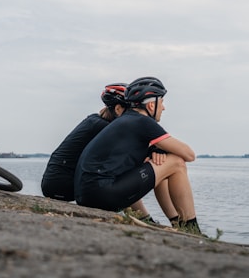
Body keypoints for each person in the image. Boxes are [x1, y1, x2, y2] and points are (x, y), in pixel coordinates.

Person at [74, 77, 203, 234]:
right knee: (176, 162)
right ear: (151, 104)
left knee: (161, 163)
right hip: (102, 195)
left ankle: (176, 222)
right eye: (161, 102)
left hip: (87, 195)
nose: (164, 108)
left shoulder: (125, 121)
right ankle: (191, 228)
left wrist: (156, 153)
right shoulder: (142, 122)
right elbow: (189, 154)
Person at [41, 83, 158, 222]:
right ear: (118, 109)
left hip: (53, 183)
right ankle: (144, 217)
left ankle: (143, 217)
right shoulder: (103, 128)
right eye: (130, 112)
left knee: (118, 168)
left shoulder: (95, 122)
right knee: (122, 171)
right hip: (62, 186)